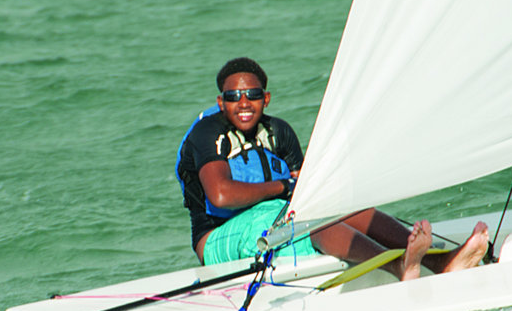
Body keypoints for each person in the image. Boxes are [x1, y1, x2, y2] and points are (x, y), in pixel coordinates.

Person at [176, 57, 488, 280]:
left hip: (273, 218)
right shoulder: (207, 134)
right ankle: (397, 267)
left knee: (337, 208)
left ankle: (439, 261)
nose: (244, 102)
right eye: (234, 96)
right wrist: (283, 187)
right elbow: (220, 196)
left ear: (266, 98)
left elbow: (308, 188)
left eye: (253, 95)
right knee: (311, 223)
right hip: (217, 239)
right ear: (221, 102)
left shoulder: (279, 132)